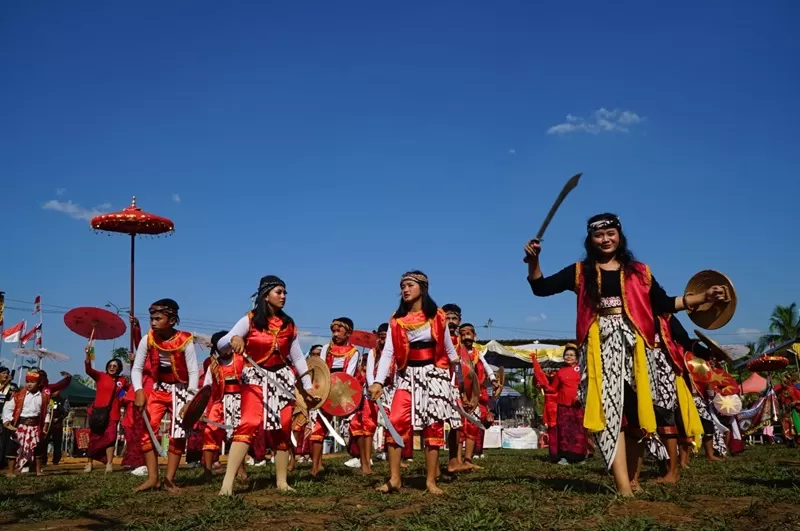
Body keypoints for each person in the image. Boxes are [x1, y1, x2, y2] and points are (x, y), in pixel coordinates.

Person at [524, 213, 728, 496]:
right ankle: (623, 486)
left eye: (610, 233)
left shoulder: (640, 272)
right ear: (590, 239)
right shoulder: (580, 271)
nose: (605, 239)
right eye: (599, 235)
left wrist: (703, 298)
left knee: (636, 413)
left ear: (619, 235)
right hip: (599, 347)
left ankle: (633, 477)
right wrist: (534, 261)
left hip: (636, 348)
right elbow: (541, 288)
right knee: (610, 413)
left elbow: (663, 303)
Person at [217, 275, 316, 494]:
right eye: (278, 292)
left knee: (283, 427)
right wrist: (234, 340)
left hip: (281, 378)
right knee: (249, 423)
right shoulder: (250, 320)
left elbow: (298, 357)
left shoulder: (288, 324)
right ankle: (227, 484)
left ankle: (281, 482)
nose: (283, 296)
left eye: (284, 293)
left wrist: (307, 386)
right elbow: (222, 344)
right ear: (265, 295)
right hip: (255, 377)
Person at [368, 271, 462, 495]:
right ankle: (394, 479)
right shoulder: (397, 319)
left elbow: (450, 351)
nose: (405, 289)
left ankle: (430, 480)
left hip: (433, 374)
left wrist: (459, 380)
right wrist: (379, 381)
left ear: (422, 288)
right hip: (405, 375)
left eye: (410, 285)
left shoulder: (438, 316)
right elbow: (389, 351)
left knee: (433, 425)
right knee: (395, 420)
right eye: (402, 286)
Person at [131, 299, 199, 492]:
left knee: (178, 434)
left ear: (171, 320)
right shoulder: (148, 339)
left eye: (157, 318)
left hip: (180, 390)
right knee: (147, 431)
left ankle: (169, 479)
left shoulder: (185, 340)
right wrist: (139, 390)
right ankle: (153, 478)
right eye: (151, 318)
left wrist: (190, 400)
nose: (152, 322)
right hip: (159, 389)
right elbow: (137, 368)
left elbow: (194, 372)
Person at [310, 317, 360, 477]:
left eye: (339, 331)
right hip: (326, 391)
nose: (335, 334)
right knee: (318, 427)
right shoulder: (326, 349)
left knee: (356, 424)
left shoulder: (354, 352)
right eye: (333, 331)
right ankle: (316, 466)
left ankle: (364, 462)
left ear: (348, 333)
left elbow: (349, 375)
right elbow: (322, 369)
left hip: (344, 392)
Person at [201, 330, 246, 482]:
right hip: (219, 403)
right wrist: (200, 408)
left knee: (239, 435)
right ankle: (207, 470)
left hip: (240, 402)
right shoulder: (213, 365)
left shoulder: (242, 360)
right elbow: (206, 387)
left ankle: (240, 468)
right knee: (209, 432)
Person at [532, 344, 586, 465]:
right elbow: (553, 388)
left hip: (578, 405)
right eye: (566, 355)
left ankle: (579, 457)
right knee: (564, 432)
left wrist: (581, 396)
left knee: (578, 431)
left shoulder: (581, 370)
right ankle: (565, 457)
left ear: (577, 358)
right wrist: (542, 384)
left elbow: (585, 385)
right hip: (563, 406)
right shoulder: (560, 372)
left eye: (572, 355)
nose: (569, 357)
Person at [457, 323, 500, 469]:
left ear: (474, 335)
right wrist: (462, 394)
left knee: (473, 425)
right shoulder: (457, 353)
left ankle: (468, 459)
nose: (466, 337)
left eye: (469, 333)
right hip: (459, 392)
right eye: (463, 334)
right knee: (459, 426)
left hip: (476, 394)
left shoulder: (478, 353)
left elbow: (487, 367)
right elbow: (457, 373)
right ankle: (457, 460)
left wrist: (493, 379)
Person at [2, 370, 51, 476]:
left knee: (37, 448)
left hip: (35, 426)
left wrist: (45, 427)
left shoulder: (43, 397)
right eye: (27, 381)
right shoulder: (18, 395)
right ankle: (10, 472)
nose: (29, 384)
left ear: (39, 383)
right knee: (14, 447)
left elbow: (47, 413)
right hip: (20, 426)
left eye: (32, 382)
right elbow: (8, 408)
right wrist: (8, 421)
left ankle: (38, 470)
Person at [84, 353, 126, 473]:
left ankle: (109, 464)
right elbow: (88, 370)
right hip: (98, 413)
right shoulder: (100, 376)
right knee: (94, 439)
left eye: (115, 365)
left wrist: (124, 400)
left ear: (119, 368)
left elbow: (129, 391)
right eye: (110, 365)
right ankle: (89, 463)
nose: (112, 367)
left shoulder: (122, 380)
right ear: (107, 367)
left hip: (113, 414)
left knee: (111, 438)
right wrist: (88, 357)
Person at [442, 303, 470, 473]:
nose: (451, 322)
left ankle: (454, 461)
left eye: (454, 318)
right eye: (448, 318)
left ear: (459, 321)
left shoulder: (459, 341)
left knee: (455, 424)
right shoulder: (436, 336)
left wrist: (462, 388)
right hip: (436, 382)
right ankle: (433, 467)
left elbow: (460, 367)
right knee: (434, 425)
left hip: (452, 385)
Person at [0, 366, 18, 470]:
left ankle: (3, 461)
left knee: (3, 441)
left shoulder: (10, 387)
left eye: (7, 373)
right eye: (3, 373)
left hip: (4, 418)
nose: (5, 375)